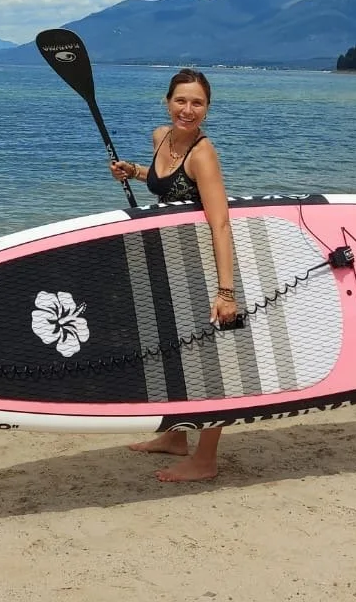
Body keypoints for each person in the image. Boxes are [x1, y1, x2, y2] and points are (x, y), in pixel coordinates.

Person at [108, 68, 237, 482]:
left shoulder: (204, 153)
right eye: (181, 100)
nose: (188, 109)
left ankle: (206, 458)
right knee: (174, 352)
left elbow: (220, 222)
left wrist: (226, 291)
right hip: (170, 263)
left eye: (197, 102)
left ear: (208, 108)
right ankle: (176, 437)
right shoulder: (160, 136)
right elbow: (168, 183)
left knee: (212, 361)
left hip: (202, 264)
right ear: (167, 102)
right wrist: (134, 171)